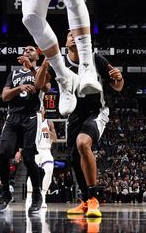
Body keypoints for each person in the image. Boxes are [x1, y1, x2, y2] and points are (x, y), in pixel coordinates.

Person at [36, 32, 124, 218]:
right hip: (73, 116)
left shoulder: (94, 58)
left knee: (83, 143)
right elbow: (40, 85)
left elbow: (118, 86)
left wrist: (118, 78)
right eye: (70, 35)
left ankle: (93, 199)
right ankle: (84, 201)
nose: (74, 37)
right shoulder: (59, 62)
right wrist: (44, 64)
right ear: (65, 42)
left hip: (95, 112)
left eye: (78, 34)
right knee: (74, 159)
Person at [0, 46, 49, 214]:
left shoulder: (41, 69)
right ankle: (5, 192)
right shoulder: (14, 74)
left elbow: (45, 87)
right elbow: (4, 96)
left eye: (31, 49)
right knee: (4, 153)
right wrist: (19, 88)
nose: (27, 50)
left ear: (37, 56)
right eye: (25, 49)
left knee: (28, 158)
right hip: (13, 117)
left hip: (32, 117)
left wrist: (32, 68)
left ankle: (37, 196)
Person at [26, 106, 58, 210]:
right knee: (32, 172)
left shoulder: (49, 123)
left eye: (41, 109)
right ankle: (29, 197)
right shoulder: (32, 121)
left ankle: (43, 195)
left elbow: (55, 139)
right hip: (35, 150)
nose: (40, 111)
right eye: (38, 109)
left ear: (44, 111)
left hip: (46, 150)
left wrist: (48, 132)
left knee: (49, 170)